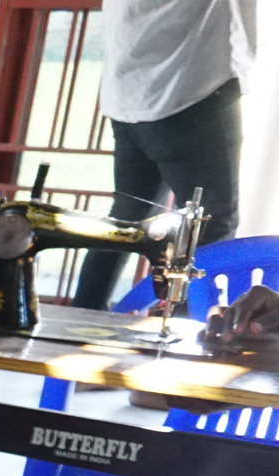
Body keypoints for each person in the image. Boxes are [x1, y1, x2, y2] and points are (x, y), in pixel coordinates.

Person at [73, 0, 256, 311]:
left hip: (128, 99)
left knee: (126, 221)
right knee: (211, 225)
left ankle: (81, 314)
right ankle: (197, 326)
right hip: (193, 92)